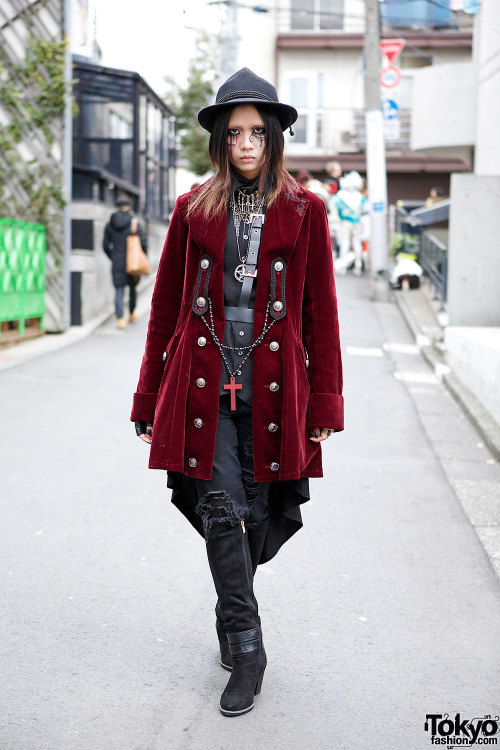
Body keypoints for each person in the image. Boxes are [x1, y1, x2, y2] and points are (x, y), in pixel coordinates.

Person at [130, 68, 343, 717]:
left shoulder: (306, 210)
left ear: (274, 138)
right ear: (220, 139)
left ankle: (230, 613)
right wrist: (146, 399)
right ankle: (248, 649)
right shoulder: (194, 206)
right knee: (220, 506)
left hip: (277, 388)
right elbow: (165, 305)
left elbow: (320, 313)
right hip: (202, 383)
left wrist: (328, 406)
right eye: (234, 131)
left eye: (257, 131)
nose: (245, 142)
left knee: (253, 514)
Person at [103, 194, 148, 330]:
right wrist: (142, 255)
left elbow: (105, 245)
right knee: (132, 288)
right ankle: (132, 313)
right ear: (128, 206)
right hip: (132, 260)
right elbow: (143, 243)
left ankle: (120, 319)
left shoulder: (110, 224)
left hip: (117, 260)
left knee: (119, 289)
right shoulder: (134, 223)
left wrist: (113, 256)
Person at [332, 170, 367, 276]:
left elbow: (336, 208)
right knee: (357, 243)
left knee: (345, 243)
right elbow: (364, 209)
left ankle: (342, 266)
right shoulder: (360, 197)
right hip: (357, 222)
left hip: (345, 222)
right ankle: (358, 266)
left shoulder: (341, 196)